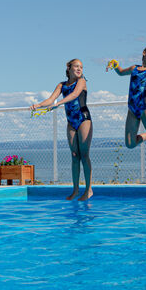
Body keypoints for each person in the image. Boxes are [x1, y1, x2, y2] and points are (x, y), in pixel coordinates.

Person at [30, 59, 93, 201]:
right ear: (69, 68)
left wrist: (59, 103)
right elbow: (51, 99)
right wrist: (38, 105)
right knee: (75, 155)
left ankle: (88, 189)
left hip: (83, 119)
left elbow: (75, 95)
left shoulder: (82, 82)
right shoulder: (62, 85)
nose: (79, 69)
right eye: (76, 66)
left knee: (84, 155)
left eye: (81, 67)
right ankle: (76, 190)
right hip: (71, 122)